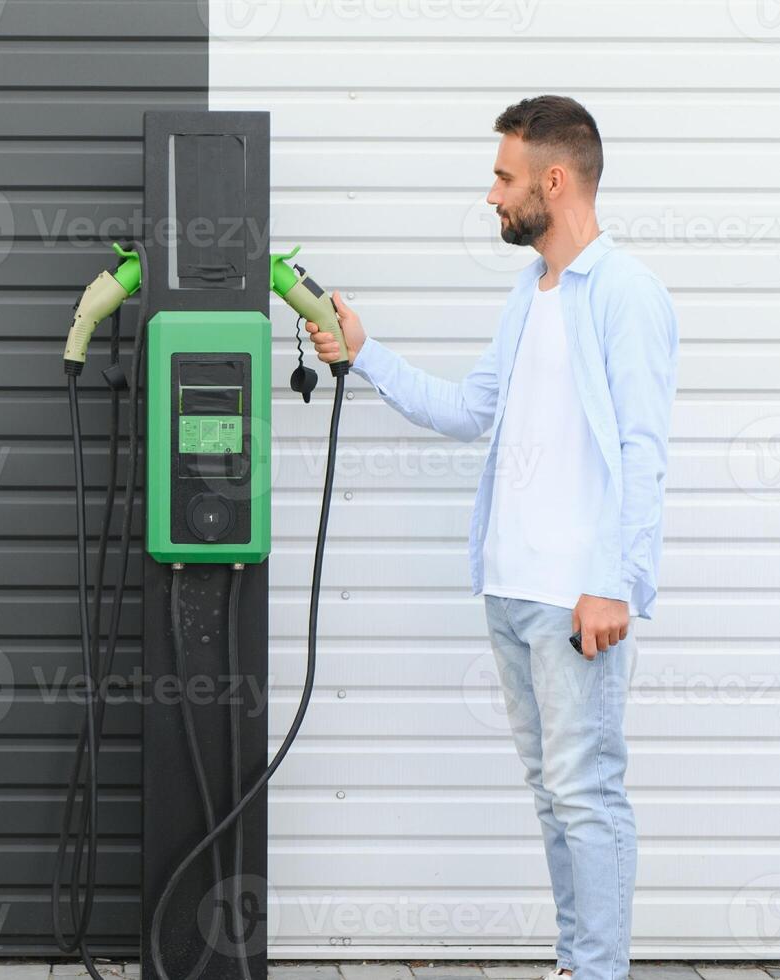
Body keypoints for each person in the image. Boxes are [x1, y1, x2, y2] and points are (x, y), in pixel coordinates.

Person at [304, 95, 679, 980]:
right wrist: (363, 350)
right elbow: (470, 409)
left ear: (554, 180)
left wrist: (615, 584)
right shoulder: (531, 290)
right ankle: (572, 963)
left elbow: (643, 454)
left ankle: (598, 972)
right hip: (511, 590)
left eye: (504, 178)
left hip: (575, 596)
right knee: (554, 799)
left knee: (587, 797)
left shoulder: (625, 295)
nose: (492, 196)